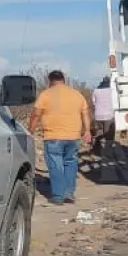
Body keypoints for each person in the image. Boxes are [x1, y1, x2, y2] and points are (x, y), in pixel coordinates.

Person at [28, 70, 91, 205]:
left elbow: (35, 115)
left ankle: (58, 196)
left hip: (53, 136)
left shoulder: (46, 95)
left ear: (50, 81)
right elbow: (85, 114)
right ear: (64, 80)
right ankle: (69, 193)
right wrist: (87, 131)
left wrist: (30, 131)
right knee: (70, 163)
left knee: (55, 165)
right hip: (73, 136)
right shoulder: (77, 94)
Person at [92, 76, 115, 155]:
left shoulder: (96, 90)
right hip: (108, 116)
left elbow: (94, 102)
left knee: (98, 133)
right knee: (109, 135)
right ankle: (108, 152)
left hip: (98, 115)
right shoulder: (112, 90)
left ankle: (96, 150)